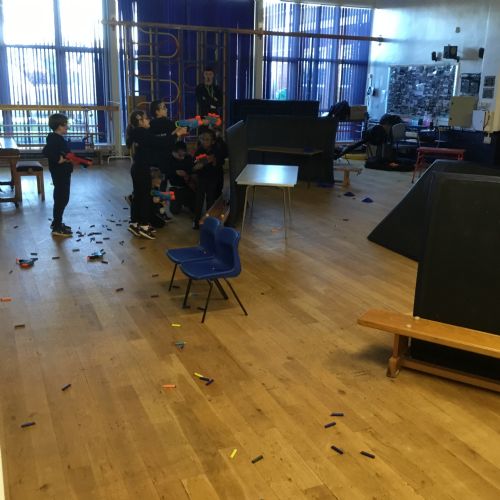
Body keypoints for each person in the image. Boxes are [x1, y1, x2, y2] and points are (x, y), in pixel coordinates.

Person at [125, 110, 185, 239]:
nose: (149, 120)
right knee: (145, 197)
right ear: (140, 121)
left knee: (138, 196)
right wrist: (176, 134)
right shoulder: (141, 133)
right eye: (146, 118)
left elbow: (158, 142)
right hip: (141, 169)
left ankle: (135, 223)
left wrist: (174, 134)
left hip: (138, 168)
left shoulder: (138, 133)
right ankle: (144, 226)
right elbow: (159, 142)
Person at [42, 113, 74, 237]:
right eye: (65, 124)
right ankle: (57, 227)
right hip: (60, 173)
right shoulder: (54, 138)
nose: (67, 127)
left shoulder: (57, 138)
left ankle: (57, 222)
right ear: (59, 126)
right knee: (62, 198)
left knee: (62, 198)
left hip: (63, 173)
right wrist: (59, 159)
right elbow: (46, 151)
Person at [192, 128, 226, 229]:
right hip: (202, 178)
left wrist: (214, 160)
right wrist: (197, 167)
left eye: (207, 139)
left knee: (210, 200)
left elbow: (221, 162)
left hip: (213, 178)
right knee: (199, 199)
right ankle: (197, 220)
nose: (204, 141)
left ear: (213, 141)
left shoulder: (217, 150)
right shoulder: (199, 150)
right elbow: (194, 165)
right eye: (202, 139)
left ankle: (208, 222)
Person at [148, 100, 178, 189]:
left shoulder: (149, 125)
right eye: (164, 108)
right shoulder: (169, 123)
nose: (166, 109)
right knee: (162, 184)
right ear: (157, 111)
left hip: (153, 160)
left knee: (154, 185)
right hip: (165, 159)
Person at [167, 141, 196, 215]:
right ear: (173, 152)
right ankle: (178, 202)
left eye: (184, 155)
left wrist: (188, 175)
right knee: (174, 211)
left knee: (194, 208)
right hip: (174, 187)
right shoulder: (168, 158)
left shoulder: (188, 157)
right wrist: (175, 172)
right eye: (179, 155)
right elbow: (165, 172)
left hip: (187, 186)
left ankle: (186, 202)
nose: (182, 157)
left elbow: (191, 169)